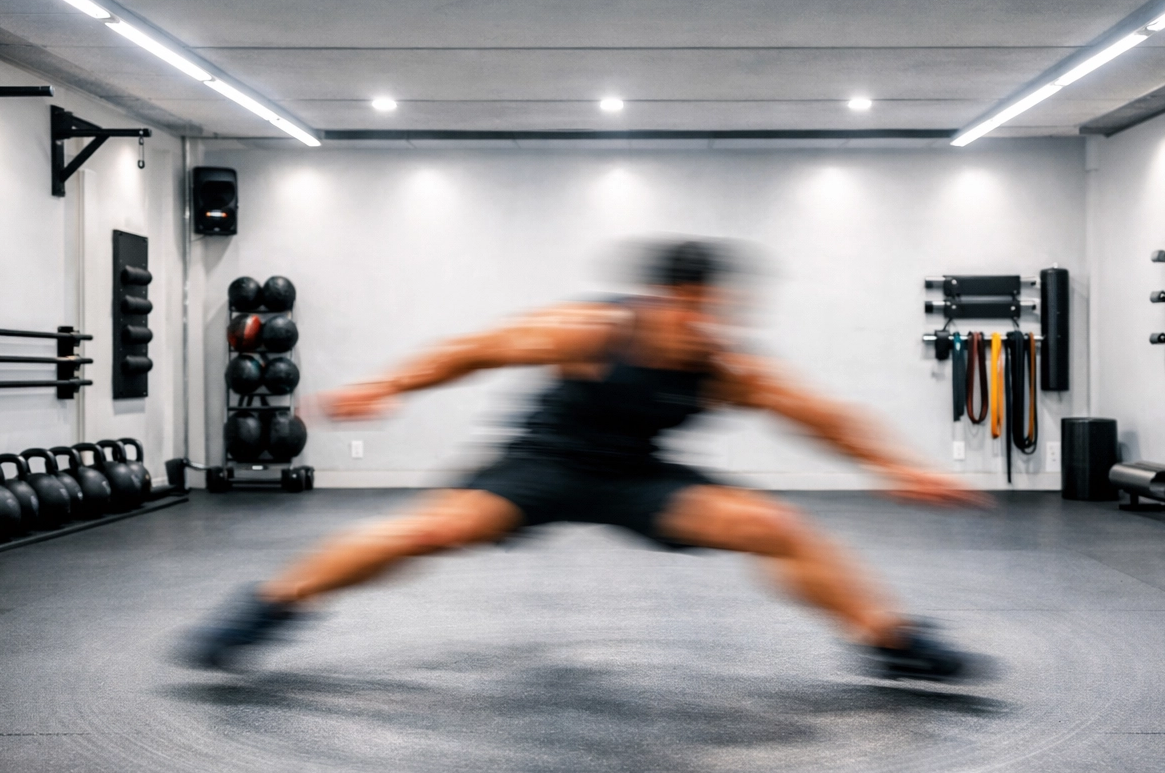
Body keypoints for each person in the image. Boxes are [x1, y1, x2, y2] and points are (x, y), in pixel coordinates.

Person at [184, 240, 989, 679]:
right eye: (698, 312)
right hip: (544, 462)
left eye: (721, 315)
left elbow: (821, 417)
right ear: (666, 300)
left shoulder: (724, 366)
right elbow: (478, 350)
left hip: (638, 476)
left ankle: (888, 639)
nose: (709, 326)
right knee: (428, 532)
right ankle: (269, 604)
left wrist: (899, 468)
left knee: (773, 524)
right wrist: (388, 385)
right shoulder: (589, 329)